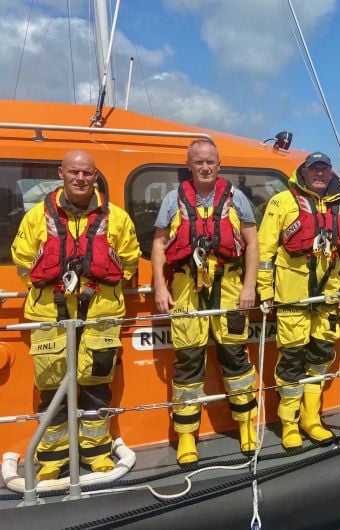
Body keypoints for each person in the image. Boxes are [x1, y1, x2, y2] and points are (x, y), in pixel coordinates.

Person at [11, 150, 141, 480]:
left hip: (100, 315)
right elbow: (23, 261)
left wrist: (102, 286)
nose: (80, 178)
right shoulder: (36, 217)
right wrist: (48, 286)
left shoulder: (118, 218)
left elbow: (129, 262)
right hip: (51, 313)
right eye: (74, 172)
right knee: (52, 386)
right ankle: (52, 458)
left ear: (95, 175)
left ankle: (96, 452)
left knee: (97, 386)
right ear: (61, 173)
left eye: (87, 172)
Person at [151, 138, 259, 464]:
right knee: (187, 362)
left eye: (210, 161)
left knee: (235, 358)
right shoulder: (173, 200)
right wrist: (159, 286)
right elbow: (158, 245)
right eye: (198, 161)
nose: (205, 166)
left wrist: (249, 287)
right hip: (186, 287)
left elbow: (252, 244)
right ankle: (187, 437)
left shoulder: (236, 198)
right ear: (189, 165)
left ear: (219, 164)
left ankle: (246, 426)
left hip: (227, 284)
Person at [257, 152, 340, 449]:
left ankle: (310, 419)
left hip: (328, 301)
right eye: (313, 169)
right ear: (303, 173)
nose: (319, 174)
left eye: (324, 170)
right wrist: (266, 292)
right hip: (292, 301)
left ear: (330, 174)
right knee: (291, 363)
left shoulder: (338, 209)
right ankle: (289, 423)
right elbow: (265, 253)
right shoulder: (282, 203)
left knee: (319, 361)